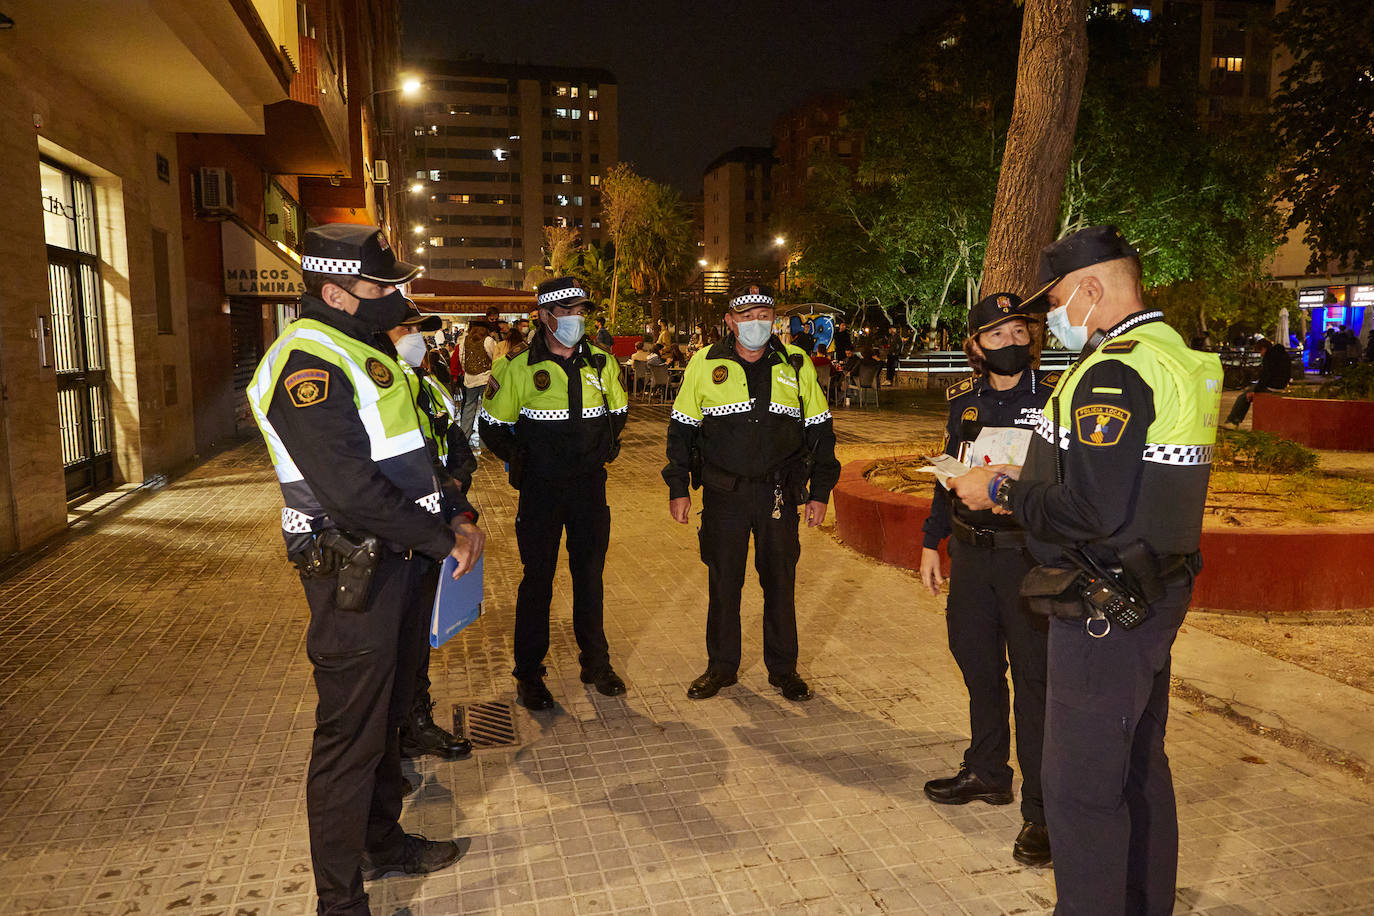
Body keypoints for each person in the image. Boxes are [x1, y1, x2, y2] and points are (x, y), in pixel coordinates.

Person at [950, 225, 1221, 915]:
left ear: (1093, 290)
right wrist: (1033, 470)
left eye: (1059, 302)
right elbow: (1128, 482)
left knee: (1079, 792)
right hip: (1153, 590)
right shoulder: (1176, 356)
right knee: (1137, 771)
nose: (1051, 322)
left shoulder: (1113, 370)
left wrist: (1002, 490)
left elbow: (1090, 510)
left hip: (1105, 607)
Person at [247, 224, 486, 916]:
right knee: (349, 740)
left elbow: (419, 452)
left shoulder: (366, 347)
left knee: (386, 723)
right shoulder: (305, 364)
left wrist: (458, 512)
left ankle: (383, 843)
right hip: (351, 573)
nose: (395, 297)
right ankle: (339, 901)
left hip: (402, 565)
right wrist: (440, 541)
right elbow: (350, 490)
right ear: (334, 292)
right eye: (381, 287)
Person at [918, 292, 1056, 868]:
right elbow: (946, 475)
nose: (1010, 343)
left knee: (1034, 682)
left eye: (1017, 332)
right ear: (975, 347)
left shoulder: (1054, 402)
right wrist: (932, 541)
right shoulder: (964, 406)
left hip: (1027, 557)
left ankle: (1043, 811)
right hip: (971, 557)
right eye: (995, 336)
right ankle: (987, 771)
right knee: (976, 662)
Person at [663, 284, 841, 702]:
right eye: (746, 316)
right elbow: (681, 431)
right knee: (724, 582)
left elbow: (820, 432)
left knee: (780, 582)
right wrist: (678, 487)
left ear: (773, 318)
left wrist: (820, 493)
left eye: (763, 314)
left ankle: (784, 670)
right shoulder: (704, 364)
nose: (755, 323)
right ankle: (721, 667)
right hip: (725, 495)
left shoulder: (796, 364)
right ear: (729, 320)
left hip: (779, 494)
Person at [478, 277, 630, 709]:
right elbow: (491, 424)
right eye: (568, 311)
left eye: (582, 311)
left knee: (589, 579)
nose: (577, 319)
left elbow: (618, 414)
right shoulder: (518, 366)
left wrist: (607, 447)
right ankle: (528, 674)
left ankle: (595, 663)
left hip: (588, 490)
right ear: (545, 316)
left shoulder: (601, 362)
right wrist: (520, 461)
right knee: (537, 583)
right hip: (541, 492)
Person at [377, 304, 478, 764]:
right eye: (407, 330)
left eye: (420, 330)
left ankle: (413, 722)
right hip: (392, 531)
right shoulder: (372, 387)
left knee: (417, 636)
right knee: (389, 645)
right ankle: (389, 737)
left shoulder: (426, 382)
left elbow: (454, 444)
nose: (416, 338)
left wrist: (455, 489)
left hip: (433, 522)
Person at [1224, 337, 1289, 427]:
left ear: (1264, 348)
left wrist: (1255, 391)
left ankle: (1233, 421)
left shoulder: (1269, 356)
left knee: (1243, 397)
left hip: (1271, 387)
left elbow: (1266, 376)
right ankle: (1234, 421)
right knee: (1248, 393)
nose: (1260, 355)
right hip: (1281, 385)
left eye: (1260, 351)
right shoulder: (1282, 354)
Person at [456, 322, 494, 444]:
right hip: (486, 378)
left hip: (469, 379)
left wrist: (467, 370)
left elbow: (461, 358)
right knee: (486, 408)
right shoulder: (488, 340)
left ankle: (464, 437)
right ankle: (485, 441)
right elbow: (495, 357)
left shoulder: (464, 340)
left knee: (468, 406)